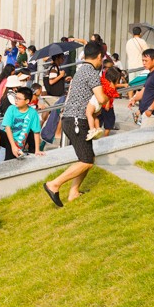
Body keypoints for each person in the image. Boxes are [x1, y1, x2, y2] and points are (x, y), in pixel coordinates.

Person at [43, 41, 107, 207]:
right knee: (86, 161)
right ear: (99, 56)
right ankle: (54, 184)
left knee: (87, 157)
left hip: (70, 119)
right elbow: (101, 98)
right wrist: (107, 97)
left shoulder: (80, 70)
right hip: (77, 120)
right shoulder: (91, 72)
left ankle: (74, 192)